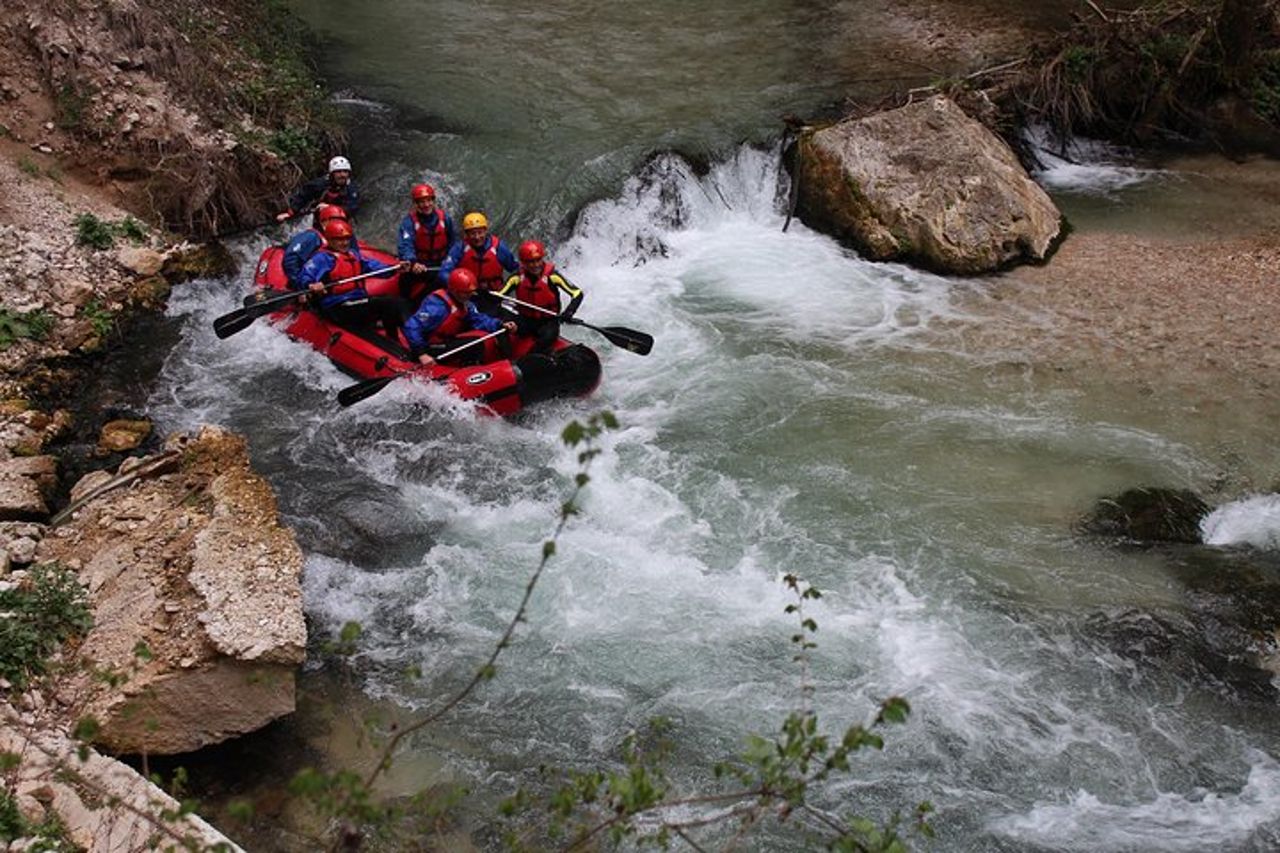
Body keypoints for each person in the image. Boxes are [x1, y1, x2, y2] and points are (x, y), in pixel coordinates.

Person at [295, 219, 407, 337]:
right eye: (339, 240)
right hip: (337, 306)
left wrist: (395, 268)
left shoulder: (353, 255)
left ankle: (396, 336)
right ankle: (393, 339)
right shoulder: (322, 258)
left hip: (355, 301)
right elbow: (305, 276)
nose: (344, 243)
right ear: (329, 239)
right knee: (389, 303)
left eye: (347, 239)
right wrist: (311, 285)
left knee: (394, 301)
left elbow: (376, 267)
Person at [404, 268, 516, 366]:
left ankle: (468, 369)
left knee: (477, 343)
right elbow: (411, 326)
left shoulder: (466, 304)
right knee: (474, 346)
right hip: (428, 346)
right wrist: (421, 354)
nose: (471, 295)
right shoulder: (437, 306)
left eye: (471, 292)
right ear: (454, 290)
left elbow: (479, 319)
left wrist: (500, 324)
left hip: (444, 342)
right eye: (467, 292)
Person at [496, 240, 582, 353]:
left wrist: (569, 312)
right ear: (523, 263)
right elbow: (499, 295)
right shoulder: (516, 278)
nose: (535, 265)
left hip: (548, 322)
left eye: (538, 260)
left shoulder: (553, 276)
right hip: (525, 320)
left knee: (547, 338)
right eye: (530, 262)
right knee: (501, 326)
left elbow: (577, 293)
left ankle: (531, 357)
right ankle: (507, 356)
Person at [437, 212, 518, 309]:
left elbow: (515, 270)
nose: (477, 237)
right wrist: (461, 287)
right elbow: (443, 273)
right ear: (466, 234)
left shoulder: (499, 248)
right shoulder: (459, 249)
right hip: (469, 296)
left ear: (485, 231)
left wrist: (503, 292)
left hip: (493, 296)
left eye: (480, 232)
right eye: (472, 233)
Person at [275, 156, 362, 223]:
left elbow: (352, 208)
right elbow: (303, 196)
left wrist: (330, 208)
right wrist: (290, 213)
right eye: (338, 172)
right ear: (332, 174)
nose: (342, 175)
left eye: (345, 172)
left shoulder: (351, 189)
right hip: (318, 219)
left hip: (340, 220)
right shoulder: (320, 184)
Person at [281, 204, 349, 286]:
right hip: (311, 283)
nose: (339, 224)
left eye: (342, 221)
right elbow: (291, 259)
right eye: (335, 220)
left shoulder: (341, 238)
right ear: (324, 222)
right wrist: (301, 286)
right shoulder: (311, 237)